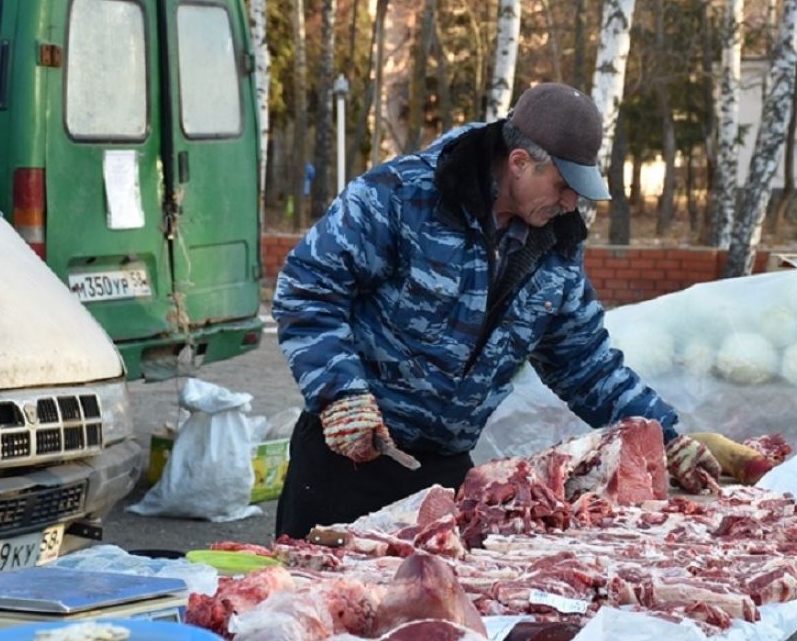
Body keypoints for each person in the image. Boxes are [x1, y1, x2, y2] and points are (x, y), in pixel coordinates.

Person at [272, 82, 734, 538]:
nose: (571, 203)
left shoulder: (555, 243)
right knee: (314, 600)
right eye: (563, 185)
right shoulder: (400, 197)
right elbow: (308, 288)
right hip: (347, 456)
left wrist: (665, 440)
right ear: (519, 163)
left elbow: (585, 363)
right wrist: (340, 393)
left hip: (442, 472)